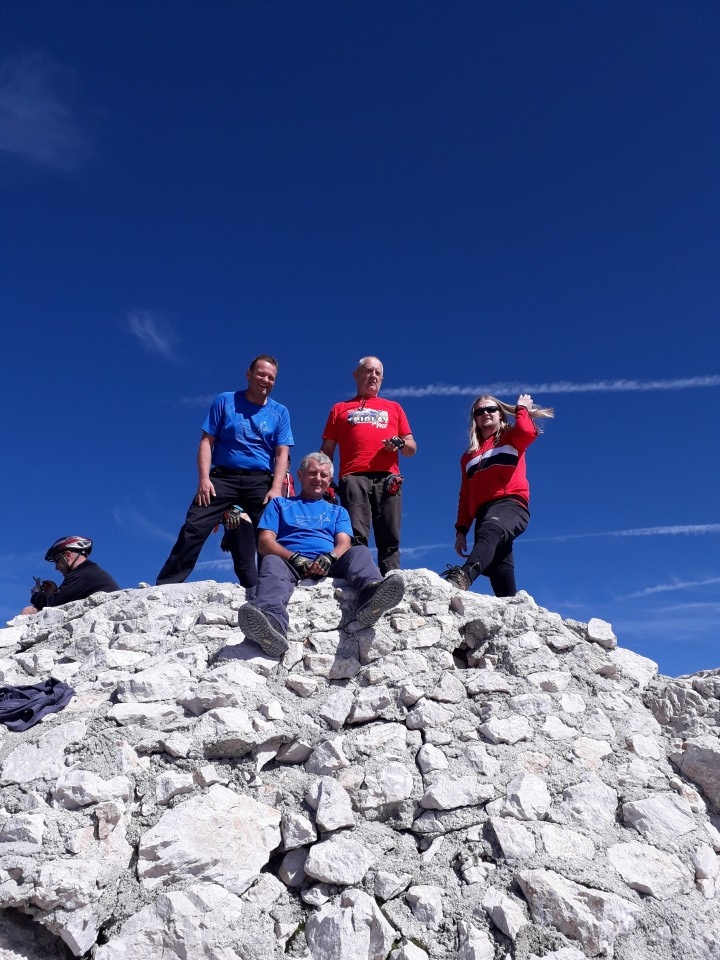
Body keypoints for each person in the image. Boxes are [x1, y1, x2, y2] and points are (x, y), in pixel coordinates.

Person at [237, 452, 405, 657]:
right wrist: (293, 558)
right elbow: (264, 543)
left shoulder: (338, 511)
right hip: (289, 562)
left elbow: (344, 542)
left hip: (330, 562)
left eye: (324, 475)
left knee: (359, 551)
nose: (318, 479)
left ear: (329, 480)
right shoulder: (280, 504)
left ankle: (372, 595)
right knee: (271, 561)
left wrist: (330, 557)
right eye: (312, 473)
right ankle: (272, 625)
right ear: (300, 475)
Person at [156, 354, 293, 589]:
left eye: (271, 377)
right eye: (261, 374)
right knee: (194, 526)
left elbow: (282, 453)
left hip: (260, 480)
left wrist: (275, 488)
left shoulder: (280, 412)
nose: (265, 380)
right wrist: (204, 479)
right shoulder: (225, 400)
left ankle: (273, 586)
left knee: (271, 531)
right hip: (223, 477)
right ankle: (167, 584)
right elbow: (207, 442)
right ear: (248, 374)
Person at [442, 393, 554, 597]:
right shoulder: (468, 457)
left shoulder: (511, 438)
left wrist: (522, 409)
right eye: (480, 411)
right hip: (483, 513)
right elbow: (465, 494)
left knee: (490, 533)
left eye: (491, 409)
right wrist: (461, 530)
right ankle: (513, 612)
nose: (485, 413)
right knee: (499, 569)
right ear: (475, 418)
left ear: (501, 415)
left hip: (511, 504)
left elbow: (527, 431)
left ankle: (462, 577)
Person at [320, 356, 416, 575]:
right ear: (356, 375)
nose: (373, 376)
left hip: (388, 477)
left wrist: (400, 443)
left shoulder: (394, 407)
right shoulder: (340, 409)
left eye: (378, 373)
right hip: (353, 476)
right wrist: (326, 481)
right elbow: (326, 449)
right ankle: (359, 577)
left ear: (382, 379)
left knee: (390, 533)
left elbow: (411, 447)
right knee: (355, 532)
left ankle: (391, 579)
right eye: (368, 371)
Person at [20, 536, 119, 615]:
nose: (56, 568)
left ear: (67, 555)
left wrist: (36, 594)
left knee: (28, 611)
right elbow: (62, 601)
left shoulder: (83, 574)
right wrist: (53, 592)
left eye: (56, 561)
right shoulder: (89, 571)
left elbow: (51, 604)